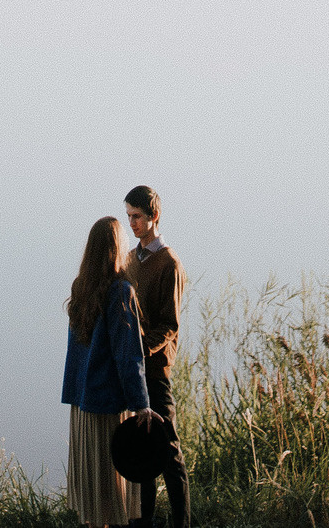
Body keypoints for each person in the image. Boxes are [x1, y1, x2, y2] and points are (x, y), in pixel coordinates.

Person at [61, 215, 154, 528]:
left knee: (91, 490)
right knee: (111, 490)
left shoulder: (81, 287)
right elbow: (130, 356)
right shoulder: (120, 292)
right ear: (117, 248)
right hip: (109, 405)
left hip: (82, 402)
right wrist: (141, 403)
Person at [122, 185, 190, 528]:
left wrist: (139, 348)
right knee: (140, 452)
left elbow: (169, 325)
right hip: (134, 369)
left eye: (137, 217)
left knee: (169, 452)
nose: (132, 223)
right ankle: (144, 520)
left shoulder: (169, 263)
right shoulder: (131, 260)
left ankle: (181, 523)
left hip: (156, 369)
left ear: (154, 217)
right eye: (129, 216)